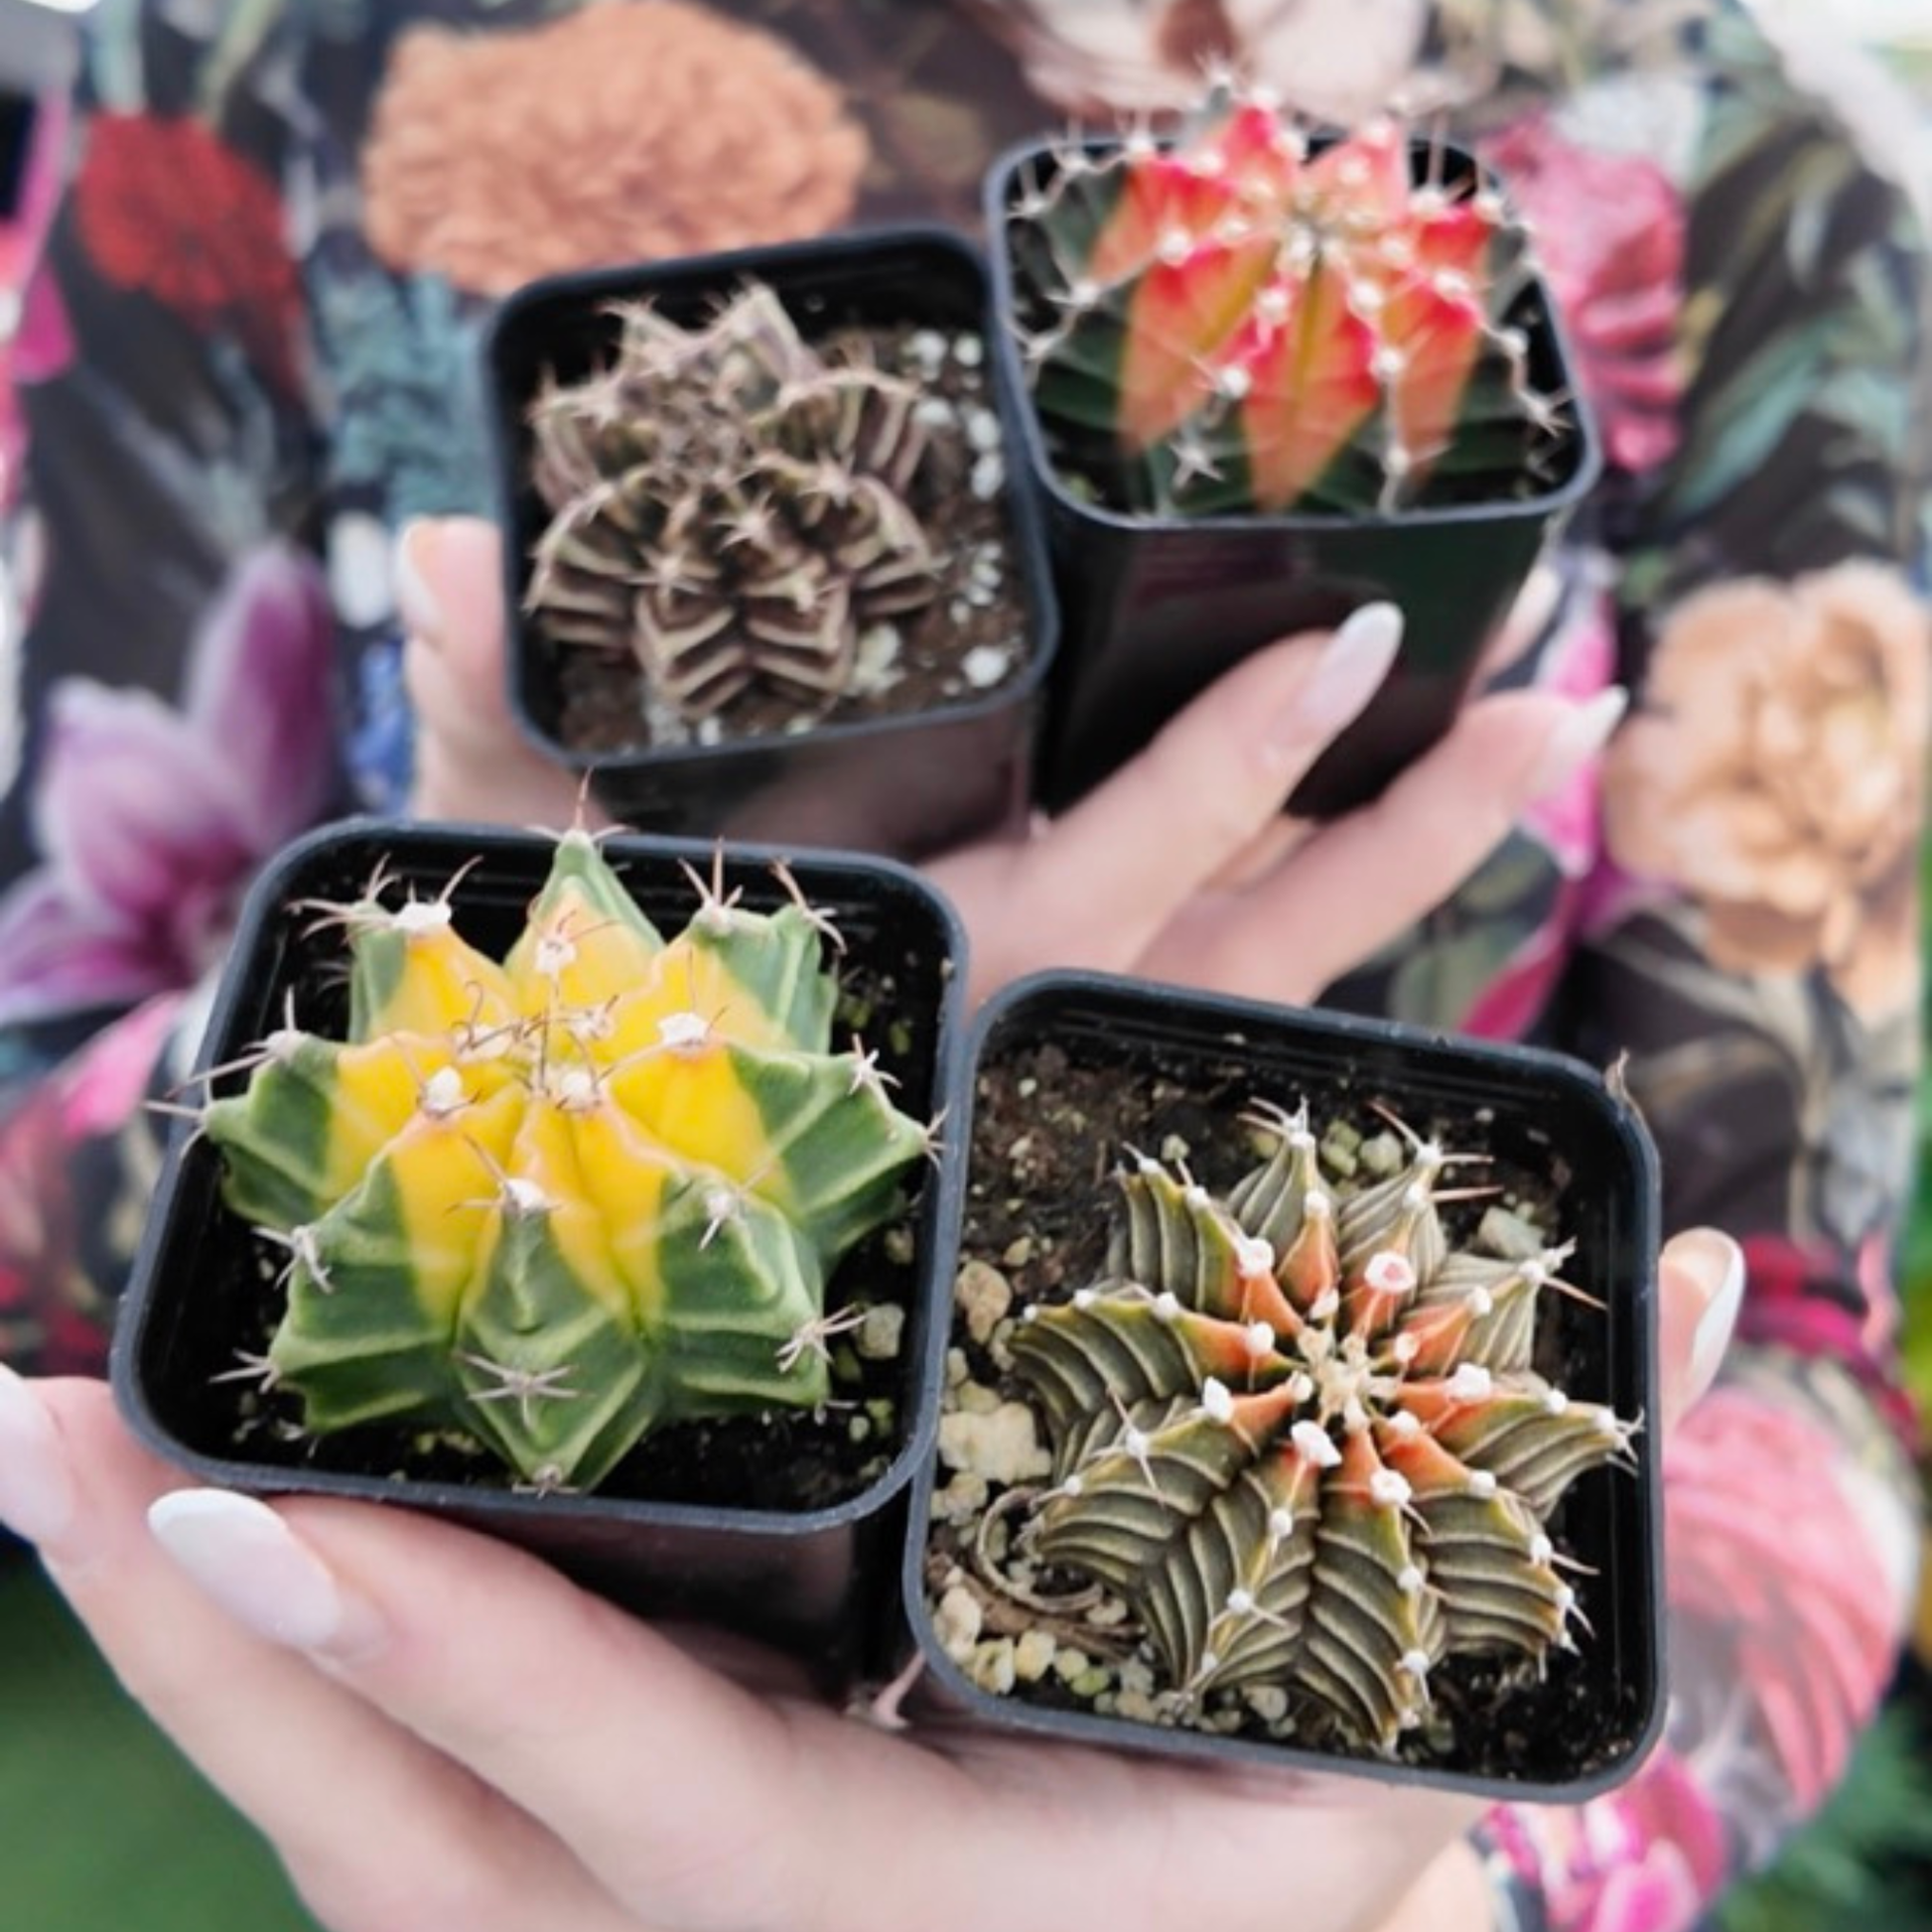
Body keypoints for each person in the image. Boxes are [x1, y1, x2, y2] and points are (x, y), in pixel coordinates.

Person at [0, 2, 1923, 1927]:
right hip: (340, 1657)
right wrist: (596, 1018)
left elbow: (1800, 1350)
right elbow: (30, 1085)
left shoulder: (1761, 185)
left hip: (1284, 1597)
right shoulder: (258, 54)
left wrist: (1452, 1883)